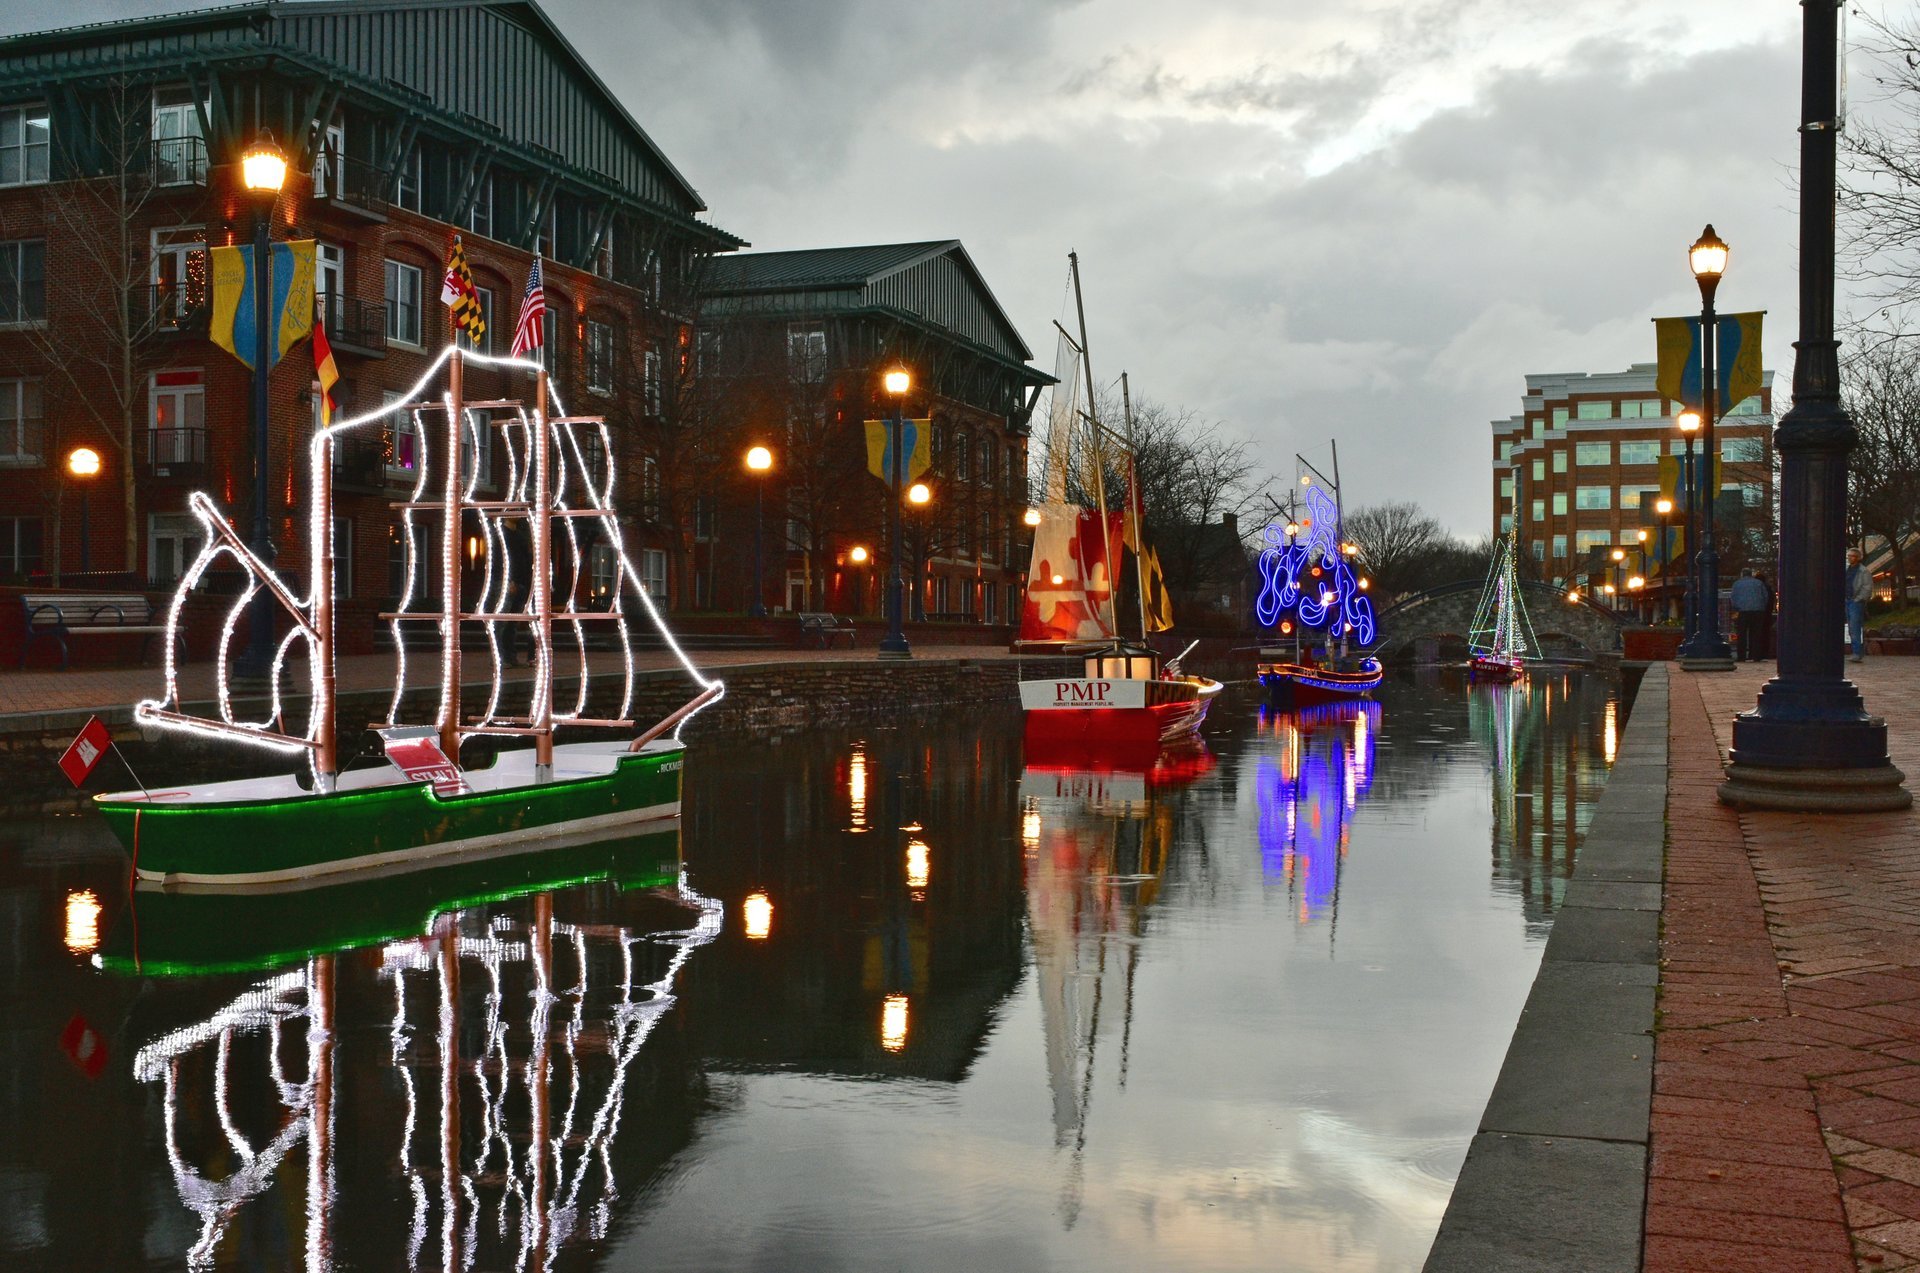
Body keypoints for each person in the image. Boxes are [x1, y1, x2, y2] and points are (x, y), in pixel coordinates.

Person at [1730, 568, 1768, 662]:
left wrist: (1736, 607)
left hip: (1743, 611)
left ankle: (1741, 656)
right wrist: (1762, 606)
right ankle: (1756, 655)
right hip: (1758, 610)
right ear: (1751, 574)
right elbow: (1765, 596)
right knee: (1756, 634)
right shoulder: (1758, 583)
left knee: (1742, 635)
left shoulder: (1737, 584)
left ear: (1742, 574)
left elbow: (1733, 598)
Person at [1846, 548, 1874, 663]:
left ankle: (1857, 652)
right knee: (1851, 628)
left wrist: (1858, 599)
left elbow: (1867, 588)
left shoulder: (1863, 571)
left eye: (1851, 556)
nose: (1849, 558)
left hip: (1855, 601)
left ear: (1857, 558)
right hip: (1847, 600)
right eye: (1848, 556)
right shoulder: (1847, 569)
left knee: (1855, 627)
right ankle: (1855, 652)